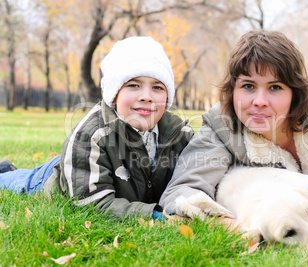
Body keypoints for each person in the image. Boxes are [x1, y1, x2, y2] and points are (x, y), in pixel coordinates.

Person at [159, 30, 308, 227]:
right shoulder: (221, 124)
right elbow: (180, 193)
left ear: (295, 92)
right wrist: (232, 223)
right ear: (232, 89)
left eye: (275, 87)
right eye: (248, 86)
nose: (260, 101)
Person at [0, 36, 193, 220]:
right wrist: (156, 217)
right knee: (21, 183)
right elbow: (91, 203)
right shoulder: (91, 135)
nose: (146, 96)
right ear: (114, 94)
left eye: (157, 87)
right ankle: (6, 173)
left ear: (168, 97)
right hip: (61, 178)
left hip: (89, 165)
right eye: (133, 85)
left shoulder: (180, 134)